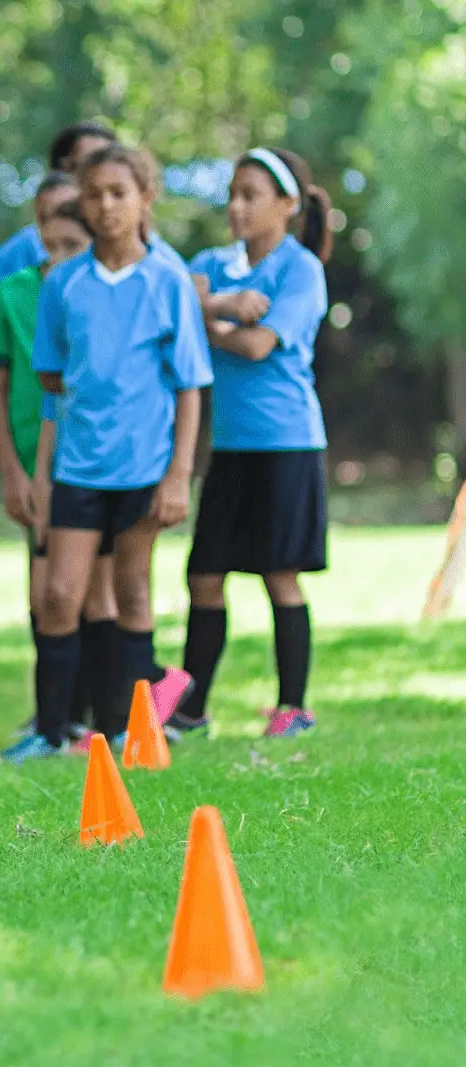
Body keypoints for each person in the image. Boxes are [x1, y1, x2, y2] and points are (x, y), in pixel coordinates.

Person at [4, 144, 212, 761]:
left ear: (144, 199)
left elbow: (190, 386)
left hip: (146, 471)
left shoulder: (167, 281)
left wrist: (179, 474)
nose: (105, 205)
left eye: (119, 193)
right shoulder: (64, 283)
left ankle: (127, 728)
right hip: (78, 468)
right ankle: (51, 731)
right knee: (60, 596)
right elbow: (50, 376)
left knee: (133, 591)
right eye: (93, 195)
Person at [177, 147, 333, 739]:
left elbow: (259, 345)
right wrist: (223, 306)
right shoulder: (215, 262)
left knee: (279, 574)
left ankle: (292, 708)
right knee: (205, 575)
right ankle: (191, 711)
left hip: (288, 443)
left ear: (288, 205)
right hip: (232, 445)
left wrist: (207, 323)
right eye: (233, 194)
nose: (237, 207)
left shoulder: (300, 270)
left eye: (252, 195)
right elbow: (173, 295)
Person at [0, 184, 105, 740]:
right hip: (37, 463)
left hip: (97, 463)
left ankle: (101, 719)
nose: (60, 254)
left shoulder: (98, 293)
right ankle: (55, 723)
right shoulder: (16, 293)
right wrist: (16, 471)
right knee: (47, 594)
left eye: (74, 242)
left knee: (94, 595)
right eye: (51, 237)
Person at [0, 121, 117, 337]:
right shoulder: (30, 243)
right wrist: (10, 357)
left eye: (110, 164)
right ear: (62, 170)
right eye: (89, 164)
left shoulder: (133, 245)